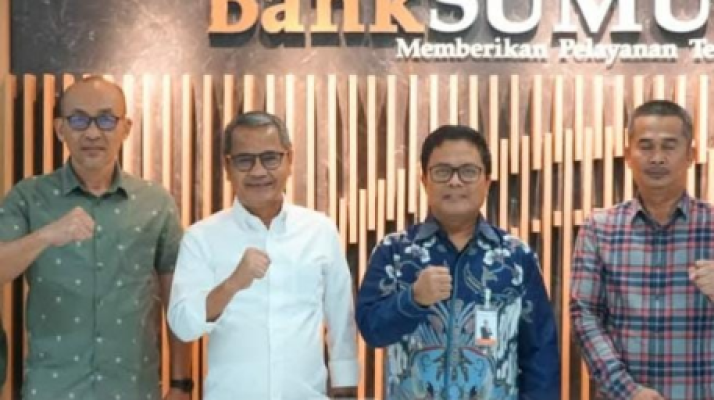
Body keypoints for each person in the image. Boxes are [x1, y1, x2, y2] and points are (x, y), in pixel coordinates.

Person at [0, 76, 192, 399]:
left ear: (126, 128)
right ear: (60, 128)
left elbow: (178, 299)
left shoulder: (156, 203)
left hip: (132, 389)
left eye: (105, 119)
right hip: (52, 390)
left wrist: (180, 383)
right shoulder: (28, 196)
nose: (92, 133)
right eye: (78, 120)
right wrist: (45, 235)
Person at [356, 125, 560, 400]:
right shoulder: (394, 252)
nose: (455, 181)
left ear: (487, 181)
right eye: (442, 172)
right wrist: (413, 299)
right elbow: (371, 329)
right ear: (424, 180)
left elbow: (540, 355)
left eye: (468, 171)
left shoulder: (516, 257)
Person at [167, 111, 359, 400]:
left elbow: (340, 316)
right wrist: (232, 284)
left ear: (289, 159)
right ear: (227, 166)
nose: (258, 172)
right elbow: (183, 325)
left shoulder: (320, 230)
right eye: (245, 160)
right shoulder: (200, 238)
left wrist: (346, 388)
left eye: (270, 158)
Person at [570, 99, 714, 400]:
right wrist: (627, 390)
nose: (657, 158)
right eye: (646, 146)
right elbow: (584, 316)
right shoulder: (599, 228)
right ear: (628, 155)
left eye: (669, 146)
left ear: (690, 155)